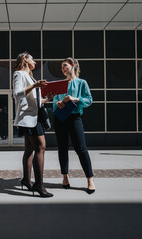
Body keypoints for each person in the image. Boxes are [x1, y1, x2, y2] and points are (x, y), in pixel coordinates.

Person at [12, 52, 54, 198]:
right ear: (25, 59)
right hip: (28, 118)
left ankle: (26, 179)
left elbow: (34, 101)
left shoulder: (30, 76)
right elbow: (16, 95)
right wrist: (35, 85)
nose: (35, 61)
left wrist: (46, 99)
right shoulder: (19, 74)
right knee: (41, 147)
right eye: (32, 58)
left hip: (33, 117)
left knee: (30, 149)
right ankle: (39, 185)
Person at [53, 57, 96, 194]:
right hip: (60, 118)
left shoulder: (82, 83)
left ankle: (90, 179)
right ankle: (65, 177)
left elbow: (89, 100)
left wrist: (74, 98)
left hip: (74, 117)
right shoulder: (60, 84)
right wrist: (58, 103)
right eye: (61, 67)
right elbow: (54, 99)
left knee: (81, 148)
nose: (63, 69)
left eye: (64, 66)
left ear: (72, 65)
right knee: (62, 148)